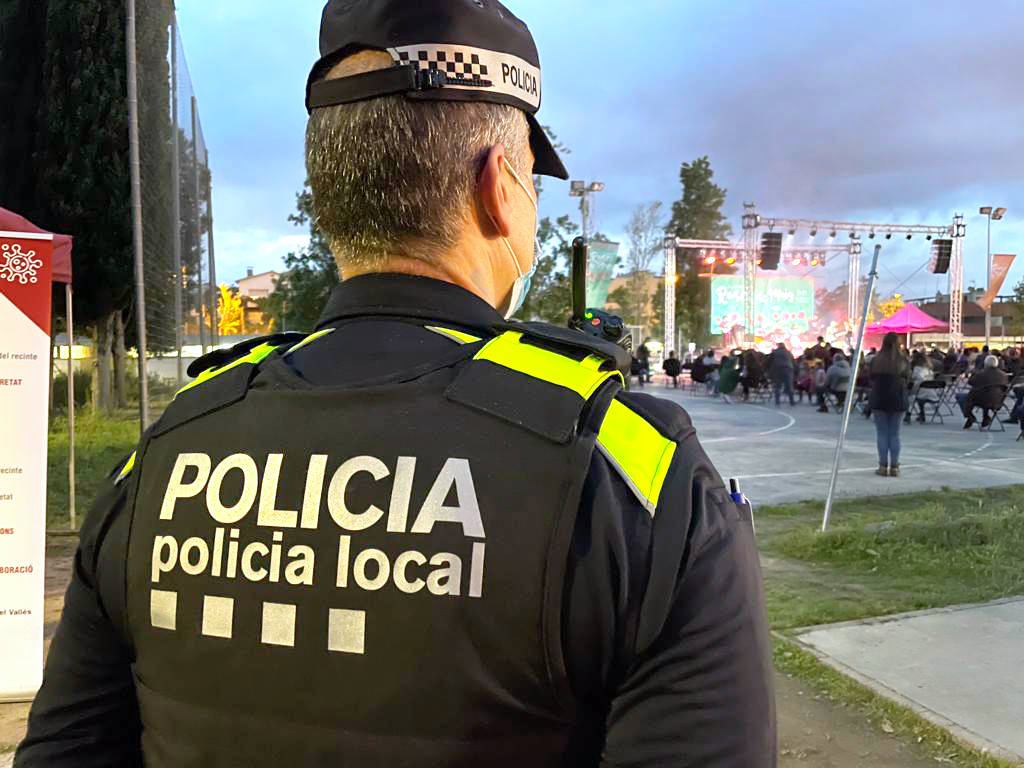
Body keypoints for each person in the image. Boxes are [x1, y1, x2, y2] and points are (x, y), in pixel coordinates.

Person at [14, 3, 775, 766]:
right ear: (499, 189)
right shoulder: (630, 481)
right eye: (534, 185)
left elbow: (65, 747)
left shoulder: (164, 454)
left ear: (331, 193)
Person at [869, 333, 910, 476]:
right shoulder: (903, 361)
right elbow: (908, 379)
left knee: (881, 433)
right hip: (898, 398)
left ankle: (882, 465)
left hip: (879, 398)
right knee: (894, 434)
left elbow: (871, 378)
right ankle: (894, 466)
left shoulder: (876, 360)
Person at [958, 355, 1010, 429]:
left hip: (982, 400)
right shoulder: (1003, 375)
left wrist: (974, 373)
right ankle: (985, 417)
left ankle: (970, 416)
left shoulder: (980, 374)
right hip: (998, 400)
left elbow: (971, 382)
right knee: (986, 393)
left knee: (961, 396)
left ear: (985, 364)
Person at [908, 350, 937, 423]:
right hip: (932, 393)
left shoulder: (917, 368)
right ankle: (921, 414)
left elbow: (912, 379)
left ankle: (907, 413)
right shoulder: (930, 370)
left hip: (920, 391)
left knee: (907, 395)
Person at [767, 342, 795, 407]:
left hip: (777, 370)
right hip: (788, 370)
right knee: (789, 386)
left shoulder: (775, 352)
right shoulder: (788, 352)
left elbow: (768, 361)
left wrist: (768, 371)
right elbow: (793, 361)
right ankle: (792, 401)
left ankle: (777, 402)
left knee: (777, 386)